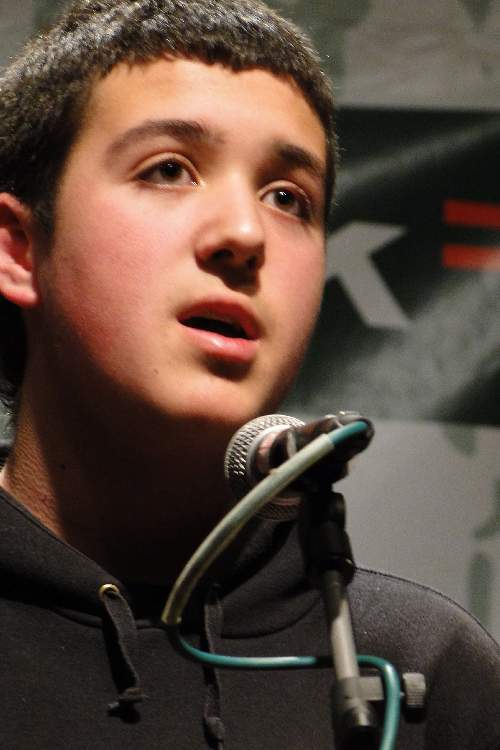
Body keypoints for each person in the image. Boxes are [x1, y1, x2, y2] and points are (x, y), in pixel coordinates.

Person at [0, 1, 498, 748]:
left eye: (287, 198)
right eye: (169, 169)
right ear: (18, 249)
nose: (244, 233)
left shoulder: (422, 669)